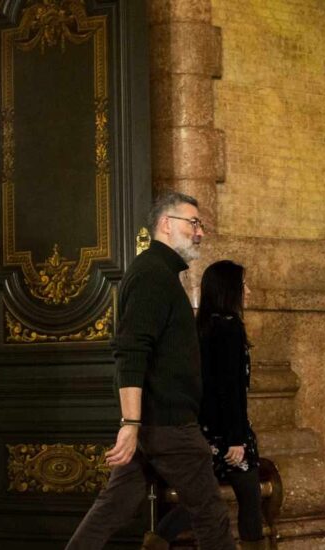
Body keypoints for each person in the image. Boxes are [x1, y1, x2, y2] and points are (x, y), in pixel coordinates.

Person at [65, 192, 235, 550]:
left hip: (154, 424)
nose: (200, 232)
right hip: (169, 425)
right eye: (193, 223)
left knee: (113, 507)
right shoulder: (152, 274)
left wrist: (135, 425)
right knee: (210, 513)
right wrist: (130, 424)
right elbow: (131, 352)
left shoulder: (159, 273)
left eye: (200, 224)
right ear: (166, 224)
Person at [146, 260, 264, 550]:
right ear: (229, 290)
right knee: (249, 495)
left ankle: (155, 543)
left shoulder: (203, 327)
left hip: (205, 431)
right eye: (242, 285)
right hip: (228, 433)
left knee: (202, 499)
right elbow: (230, 388)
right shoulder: (230, 327)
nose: (247, 291)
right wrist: (236, 438)